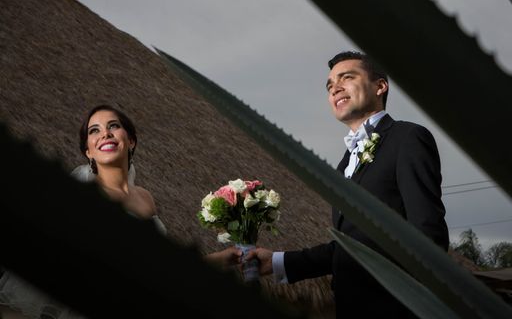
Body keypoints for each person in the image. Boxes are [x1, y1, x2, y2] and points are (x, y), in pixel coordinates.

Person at [253, 51, 449, 317]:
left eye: (347, 78)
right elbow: (349, 248)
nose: (336, 88)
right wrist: (277, 262)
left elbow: (428, 234)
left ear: (380, 86)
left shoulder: (408, 138)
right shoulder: (343, 166)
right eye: (330, 85)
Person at [0, 104, 240, 318]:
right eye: (94, 130)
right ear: (88, 151)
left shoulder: (145, 199)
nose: (105, 133)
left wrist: (224, 257)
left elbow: (161, 267)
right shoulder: (85, 192)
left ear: (131, 140)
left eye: (113, 126)